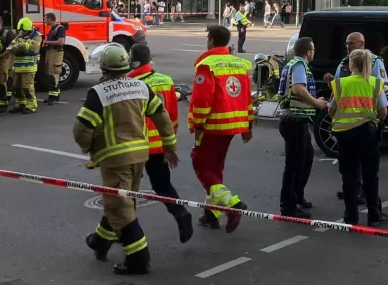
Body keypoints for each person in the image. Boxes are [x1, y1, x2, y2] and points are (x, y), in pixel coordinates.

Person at [75, 43, 178, 275]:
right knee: (123, 202)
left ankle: (138, 258)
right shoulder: (141, 87)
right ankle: (100, 241)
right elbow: (162, 117)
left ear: (103, 68)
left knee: (119, 207)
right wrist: (169, 147)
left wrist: (89, 149)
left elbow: (81, 129)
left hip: (114, 158)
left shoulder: (98, 94)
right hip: (140, 155)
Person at [188, 25, 254, 233]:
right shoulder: (239, 64)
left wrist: (198, 124)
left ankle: (232, 206)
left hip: (213, 125)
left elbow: (201, 99)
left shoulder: (207, 65)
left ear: (211, 40)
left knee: (201, 165)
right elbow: (246, 97)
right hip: (234, 124)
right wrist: (248, 124)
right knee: (214, 168)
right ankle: (210, 214)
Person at [127, 44, 194, 243]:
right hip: (159, 145)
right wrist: (169, 146)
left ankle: (127, 231)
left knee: (126, 190)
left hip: (135, 145)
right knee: (162, 185)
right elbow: (171, 116)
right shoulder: (166, 81)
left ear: (133, 61)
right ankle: (180, 212)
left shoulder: (129, 83)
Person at [323, 32, 388, 205]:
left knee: (365, 165)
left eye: (350, 43)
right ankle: (354, 193)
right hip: (349, 126)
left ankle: (360, 198)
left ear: (361, 44)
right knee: (350, 167)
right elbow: (338, 89)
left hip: (366, 123)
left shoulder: (375, 61)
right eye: (346, 43)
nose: (347, 46)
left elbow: (382, 90)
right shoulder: (344, 62)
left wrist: (377, 119)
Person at [276, 36, 328, 217]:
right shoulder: (299, 65)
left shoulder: (294, 64)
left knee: (306, 158)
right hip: (294, 120)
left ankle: (297, 196)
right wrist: (316, 102)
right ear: (308, 52)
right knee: (295, 164)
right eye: (313, 50)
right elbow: (298, 89)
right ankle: (288, 206)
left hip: (297, 120)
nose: (314, 53)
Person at [10, 18, 42, 114]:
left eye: (24, 31)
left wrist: (21, 46)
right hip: (18, 66)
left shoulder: (37, 36)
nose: (22, 33)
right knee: (17, 88)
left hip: (29, 67)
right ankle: (20, 104)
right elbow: (12, 44)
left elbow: (34, 48)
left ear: (29, 29)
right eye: (21, 31)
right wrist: (14, 46)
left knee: (27, 88)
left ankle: (31, 106)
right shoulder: (20, 35)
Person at [43, 13, 65, 105]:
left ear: (50, 19)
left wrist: (47, 42)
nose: (44, 20)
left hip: (56, 53)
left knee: (54, 74)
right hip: (50, 52)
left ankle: (55, 97)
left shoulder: (59, 28)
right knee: (49, 74)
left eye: (45, 19)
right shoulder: (52, 28)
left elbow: (61, 42)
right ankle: (51, 96)